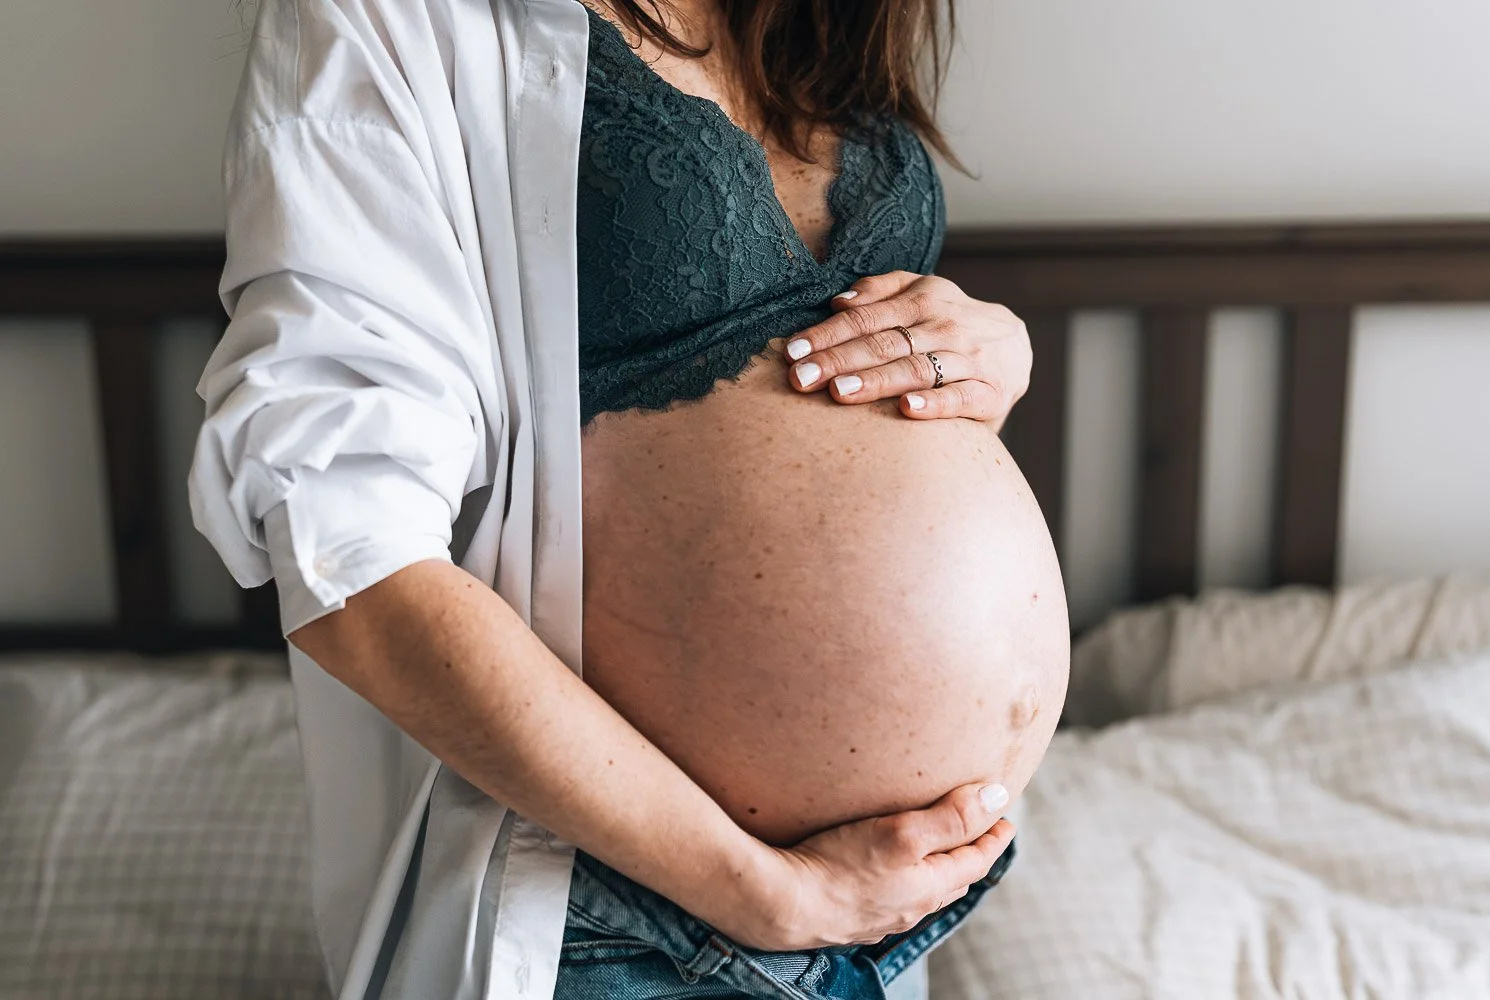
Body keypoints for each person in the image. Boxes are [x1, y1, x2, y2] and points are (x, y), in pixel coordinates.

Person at [189, 0, 1070, 997]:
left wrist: (987, 353)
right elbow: (346, 554)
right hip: (629, 916)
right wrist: (765, 894)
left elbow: (811, 410)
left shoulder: (820, 15)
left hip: (881, 913)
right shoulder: (387, 17)